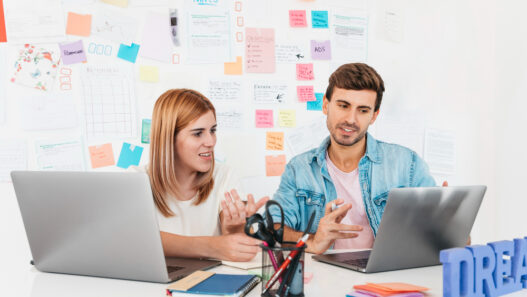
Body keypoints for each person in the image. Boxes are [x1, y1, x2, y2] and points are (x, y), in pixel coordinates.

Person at [269, 63, 446, 254]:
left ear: (373, 116)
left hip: (387, 278)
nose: (351, 119)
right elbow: (272, 228)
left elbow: (444, 238)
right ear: (326, 105)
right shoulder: (299, 169)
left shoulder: (407, 164)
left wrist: (449, 226)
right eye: (343, 106)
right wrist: (313, 241)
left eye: (362, 110)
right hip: (323, 279)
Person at [131, 89, 268, 262]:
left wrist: (234, 230)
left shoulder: (223, 175)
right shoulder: (136, 181)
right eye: (198, 133)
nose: (211, 142)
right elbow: (135, 239)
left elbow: (231, 245)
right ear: (169, 138)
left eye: (213, 130)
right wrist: (212, 246)